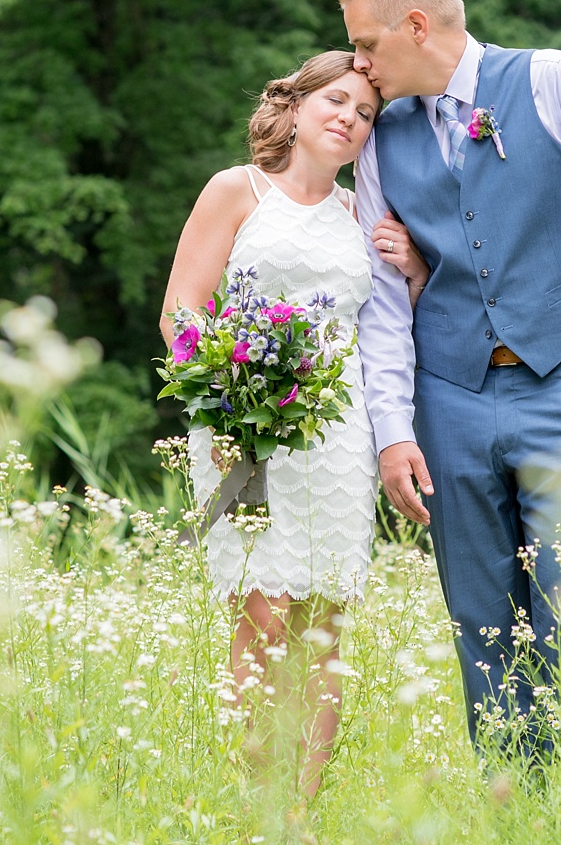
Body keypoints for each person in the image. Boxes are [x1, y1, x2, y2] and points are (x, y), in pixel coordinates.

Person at [343, 0, 561, 755]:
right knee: (482, 625)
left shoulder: (553, 82)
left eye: (366, 45)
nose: (357, 63)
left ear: (416, 26)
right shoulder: (378, 138)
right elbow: (384, 302)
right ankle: (514, 808)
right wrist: (393, 429)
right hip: (449, 401)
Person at [159, 51, 424, 795]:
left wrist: (414, 267)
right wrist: (227, 386)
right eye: (336, 100)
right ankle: (253, 798)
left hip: (338, 437)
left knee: (322, 625)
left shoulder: (360, 214)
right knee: (265, 614)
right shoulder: (235, 191)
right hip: (247, 428)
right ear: (298, 105)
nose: (349, 117)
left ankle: (299, 810)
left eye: (366, 113)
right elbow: (182, 306)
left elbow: (397, 323)